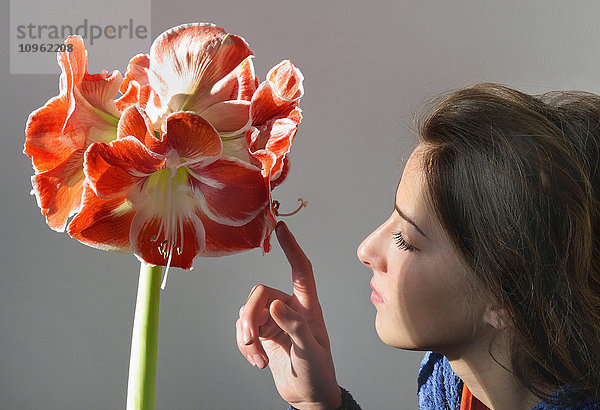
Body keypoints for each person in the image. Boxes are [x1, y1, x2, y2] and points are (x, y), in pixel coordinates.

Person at [235, 83, 600, 409]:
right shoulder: (452, 392)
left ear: (507, 294)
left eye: (405, 240)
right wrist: (318, 402)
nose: (365, 250)